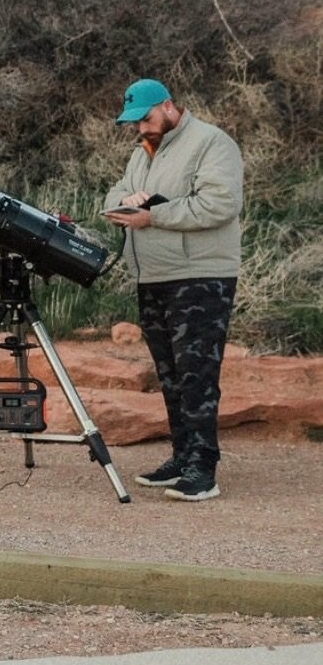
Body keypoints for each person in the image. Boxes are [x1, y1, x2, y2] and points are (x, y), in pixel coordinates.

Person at [103, 78, 243, 501]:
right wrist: (128, 198)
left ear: (167, 106)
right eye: (134, 122)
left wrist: (154, 216)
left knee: (197, 374)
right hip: (154, 276)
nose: (140, 128)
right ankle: (183, 458)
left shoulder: (212, 144)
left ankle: (204, 470)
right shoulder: (143, 150)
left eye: (145, 119)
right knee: (171, 375)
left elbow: (220, 203)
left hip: (200, 276)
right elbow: (112, 196)